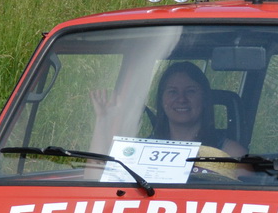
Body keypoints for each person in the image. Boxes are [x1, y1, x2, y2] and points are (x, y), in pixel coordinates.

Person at [89, 62, 246, 158]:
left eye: (190, 91)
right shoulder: (141, 150)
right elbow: (94, 179)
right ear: (161, 100)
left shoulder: (229, 153)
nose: (181, 99)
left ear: (204, 98)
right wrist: (102, 120)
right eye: (172, 92)